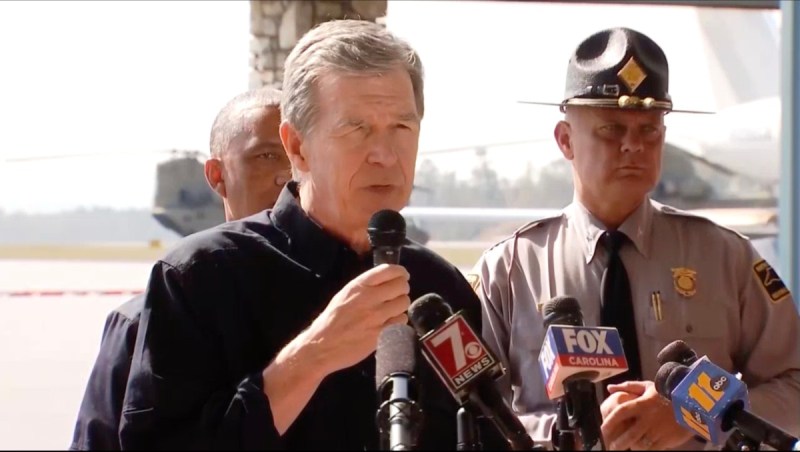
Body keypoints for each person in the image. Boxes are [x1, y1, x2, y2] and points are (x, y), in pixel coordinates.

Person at [115, 19, 500, 450]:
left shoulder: (440, 289)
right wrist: (315, 353)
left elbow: (489, 433)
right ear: (297, 147)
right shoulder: (199, 278)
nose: (385, 154)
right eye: (356, 129)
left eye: (401, 128)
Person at [470, 27, 800, 450]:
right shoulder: (511, 268)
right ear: (566, 140)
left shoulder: (724, 256)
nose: (633, 146)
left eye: (650, 130)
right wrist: (566, 436)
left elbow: (794, 385)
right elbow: (472, 413)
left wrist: (697, 414)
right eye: (611, 129)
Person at [69, 86, 291, 451]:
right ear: (217, 175)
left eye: (299, 156)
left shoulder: (351, 311)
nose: (287, 175)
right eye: (266, 156)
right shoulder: (142, 324)